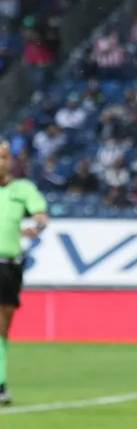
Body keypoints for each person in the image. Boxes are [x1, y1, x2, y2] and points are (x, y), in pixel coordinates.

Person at [0, 140, 49, 405]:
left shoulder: (23, 188)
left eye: (4, 157)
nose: (1, 162)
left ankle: (0, 382)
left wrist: (36, 228)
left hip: (7, 265)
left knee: (3, 326)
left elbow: (41, 217)